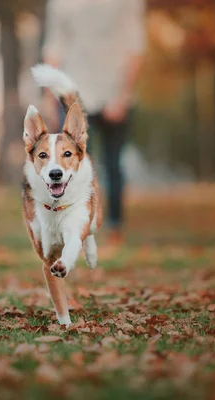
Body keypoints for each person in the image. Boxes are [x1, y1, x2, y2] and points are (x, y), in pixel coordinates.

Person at [41, 0, 146, 245]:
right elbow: (53, 49)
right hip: (73, 92)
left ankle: (114, 228)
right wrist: (49, 99)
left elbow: (136, 49)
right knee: (68, 165)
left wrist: (122, 96)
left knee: (113, 164)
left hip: (113, 93)